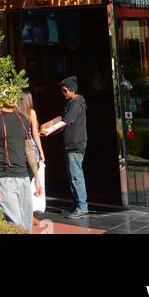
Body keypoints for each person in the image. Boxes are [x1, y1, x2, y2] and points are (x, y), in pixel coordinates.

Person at [0, 95, 41, 232]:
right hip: (5, 177)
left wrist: (37, 179)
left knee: (27, 224)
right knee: (15, 223)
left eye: (15, 93)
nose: (12, 97)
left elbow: (29, 150)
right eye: (8, 93)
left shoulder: (22, 118)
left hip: (24, 177)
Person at [41, 75, 89, 218]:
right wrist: (47, 125)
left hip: (75, 144)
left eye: (64, 90)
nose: (63, 93)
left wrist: (48, 132)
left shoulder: (76, 104)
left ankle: (82, 206)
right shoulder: (73, 103)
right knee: (73, 176)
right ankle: (77, 205)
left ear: (71, 90)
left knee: (76, 176)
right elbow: (62, 119)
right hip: (71, 144)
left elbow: (66, 121)